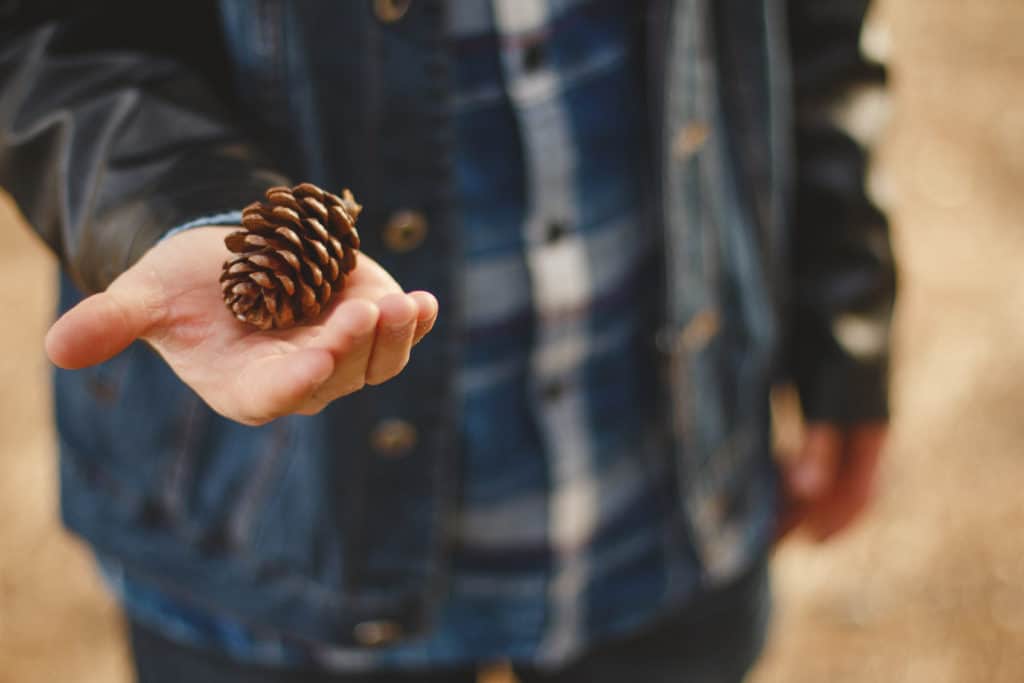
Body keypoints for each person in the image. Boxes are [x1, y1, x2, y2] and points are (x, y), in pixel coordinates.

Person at [0, 0, 894, 681]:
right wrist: (174, 203)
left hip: (666, 491)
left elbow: (815, 29)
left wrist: (844, 316)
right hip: (277, 535)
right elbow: (46, 34)